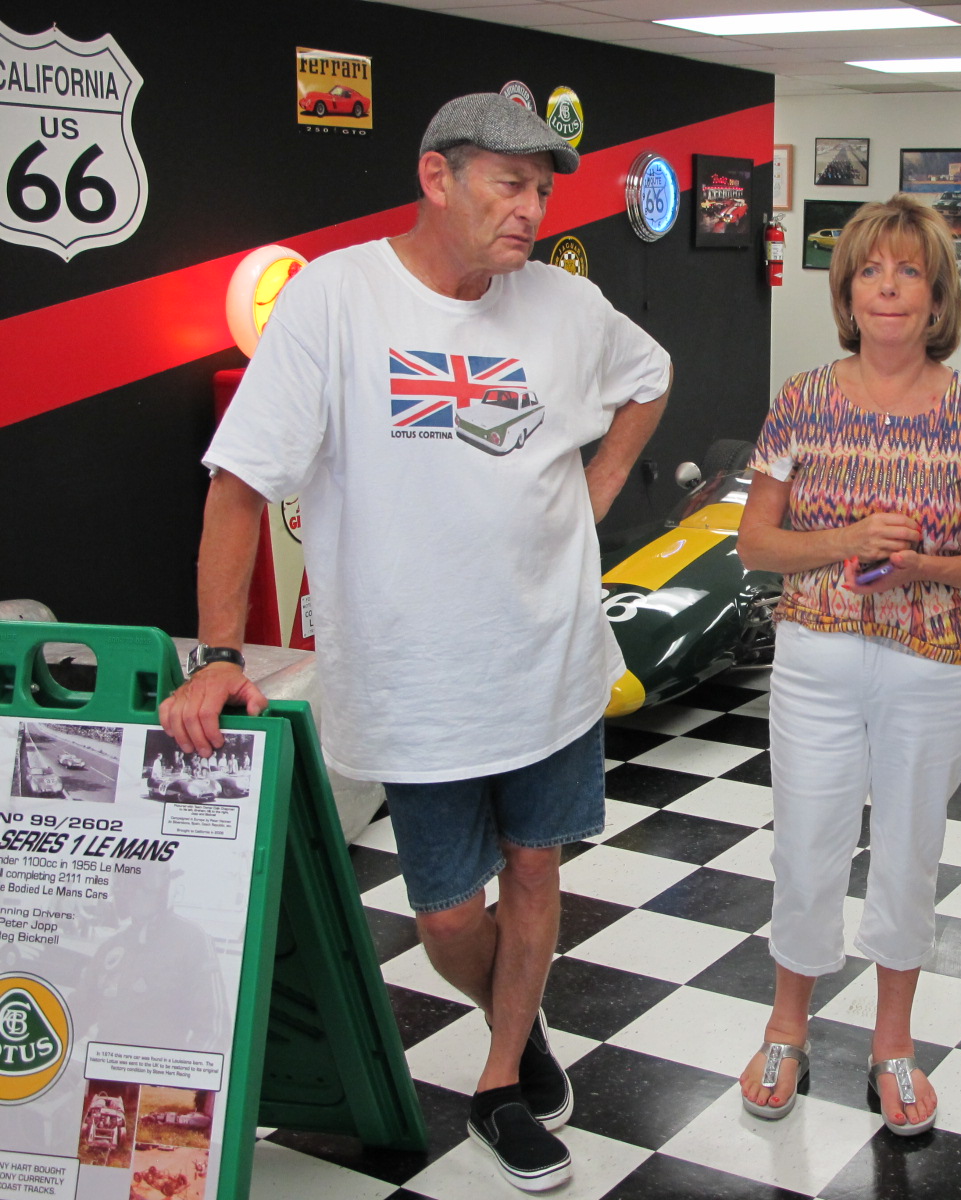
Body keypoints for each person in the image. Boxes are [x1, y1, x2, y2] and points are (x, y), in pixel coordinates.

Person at [158, 93, 672, 1193]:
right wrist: (214, 654)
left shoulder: (563, 307)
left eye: (542, 189)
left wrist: (601, 484)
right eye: (507, 184)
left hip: (550, 653)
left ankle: (497, 1079)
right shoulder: (336, 302)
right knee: (445, 909)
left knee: (536, 865)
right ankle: (511, 1010)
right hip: (413, 675)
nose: (530, 210)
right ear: (436, 178)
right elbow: (238, 484)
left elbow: (649, 375)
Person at [735, 194, 961, 1135]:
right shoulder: (803, 401)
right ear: (848, 290)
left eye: (909, 271)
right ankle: (788, 1026)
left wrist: (921, 565)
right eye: (872, 270)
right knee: (805, 844)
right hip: (817, 658)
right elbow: (754, 545)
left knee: (909, 850)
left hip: (932, 666)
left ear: (938, 296)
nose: (890, 288)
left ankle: (893, 1043)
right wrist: (848, 538)